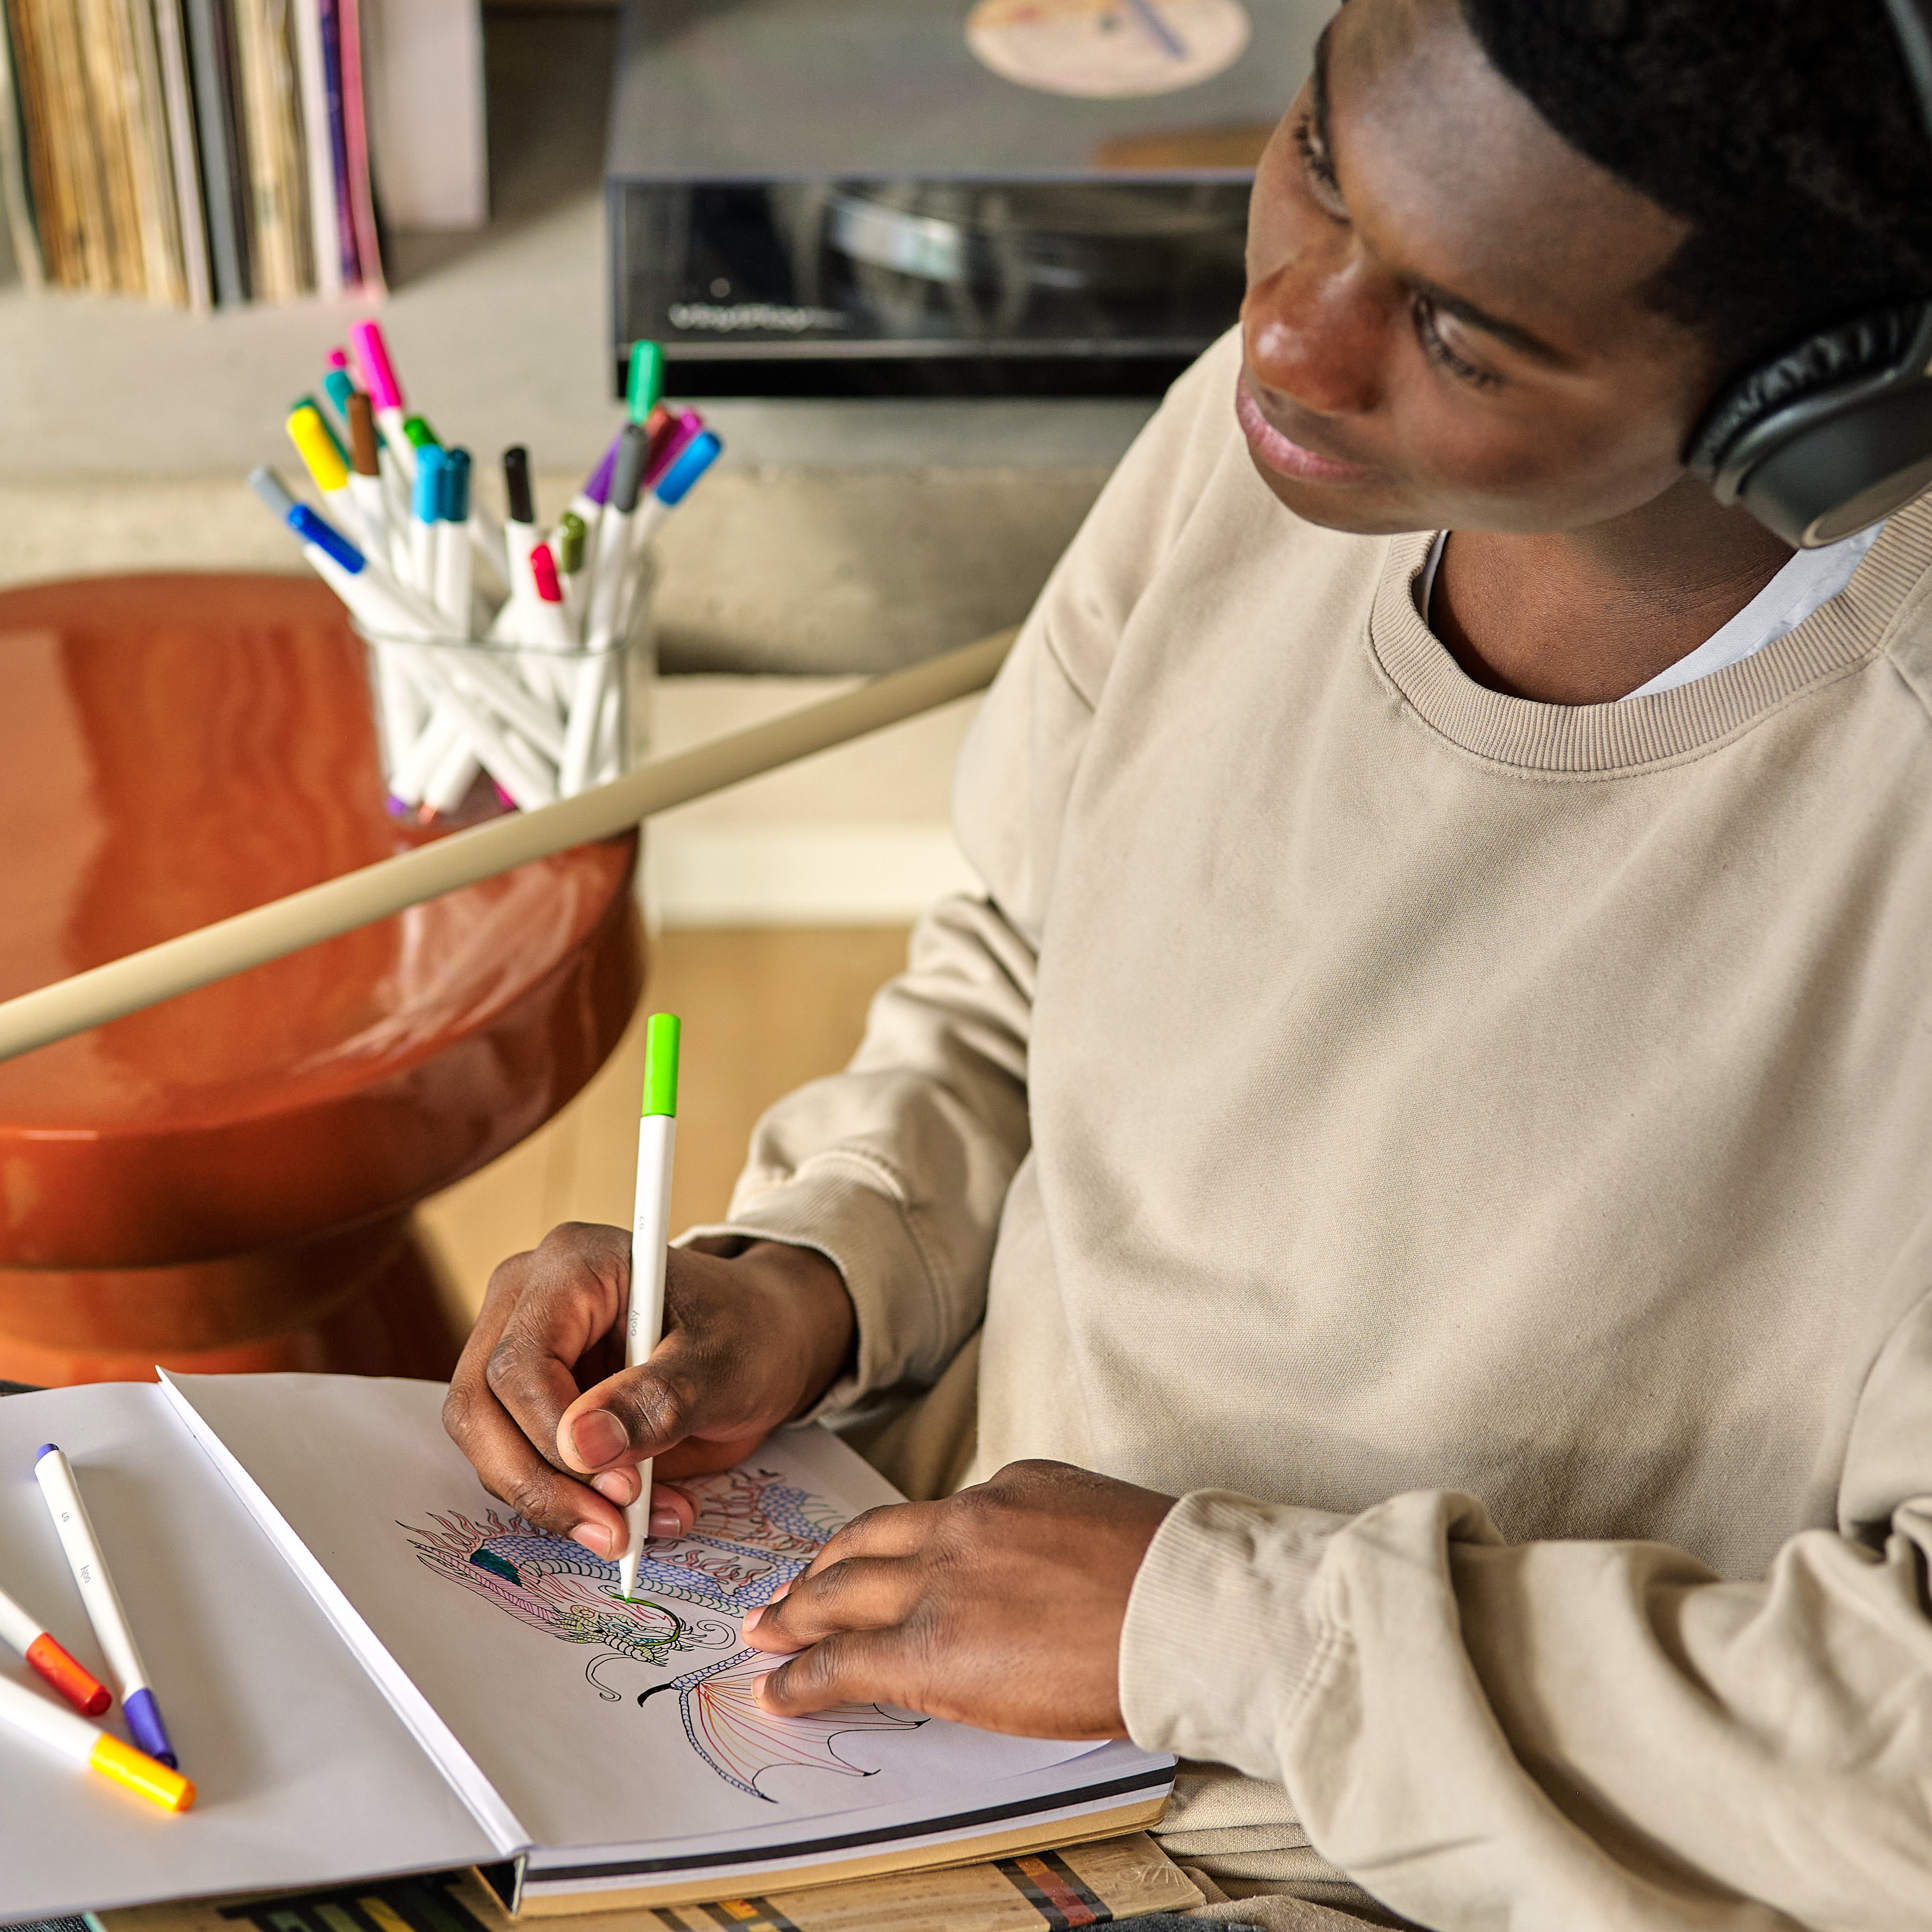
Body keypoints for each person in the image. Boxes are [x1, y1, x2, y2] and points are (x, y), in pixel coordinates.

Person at [444, 2, 1932, 1925]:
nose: (1290, 330)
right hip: (920, 1711)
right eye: (1318, 159)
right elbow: (1024, 957)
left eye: (1459, 330)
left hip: (1399, 1874)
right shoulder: (1276, 440)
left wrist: (1213, 1625)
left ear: (1815, 403)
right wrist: (812, 1269)